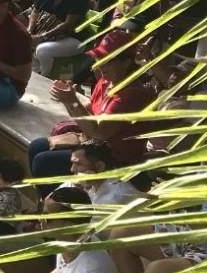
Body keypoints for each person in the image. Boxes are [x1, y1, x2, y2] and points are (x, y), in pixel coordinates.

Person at [28, 32, 155, 184]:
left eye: (107, 60)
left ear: (126, 63)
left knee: (43, 162)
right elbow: (88, 113)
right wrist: (68, 99)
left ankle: (61, 201)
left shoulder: (132, 94)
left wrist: (72, 101)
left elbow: (99, 132)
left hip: (114, 159)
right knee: (36, 146)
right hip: (94, 146)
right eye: (99, 58)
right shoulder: (105, 82)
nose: (100, 64)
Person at [28, 0, 92, 76]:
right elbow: (35, 10)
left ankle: (44, 79)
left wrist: (42, 37)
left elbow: (68, 24)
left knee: (43, 50)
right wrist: (29, 30)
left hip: (71, 38)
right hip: (43, 31)